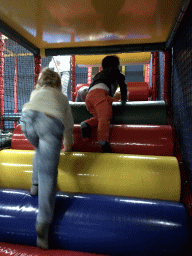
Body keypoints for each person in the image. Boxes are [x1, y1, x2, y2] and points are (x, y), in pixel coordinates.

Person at [20, 67, 74, 250]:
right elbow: (68, 127)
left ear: (41, 82)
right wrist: (69, 145)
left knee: (39, 150)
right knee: (48, 175)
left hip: (26, 120)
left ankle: (34, 186)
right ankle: (43, 223)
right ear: (58, 84)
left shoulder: (37, 92)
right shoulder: (62, 98)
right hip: (49, 124)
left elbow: (35, 111)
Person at [80, 55, 127, 153]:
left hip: (89, 97)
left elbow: (95, 87)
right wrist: (124, 100)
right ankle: (103, 142)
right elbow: (123, 86)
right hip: (100, 94)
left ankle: (86, 124)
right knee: (105, 117)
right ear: (117, 66)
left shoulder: (99, 74)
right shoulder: (117, 72)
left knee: (100, 116)